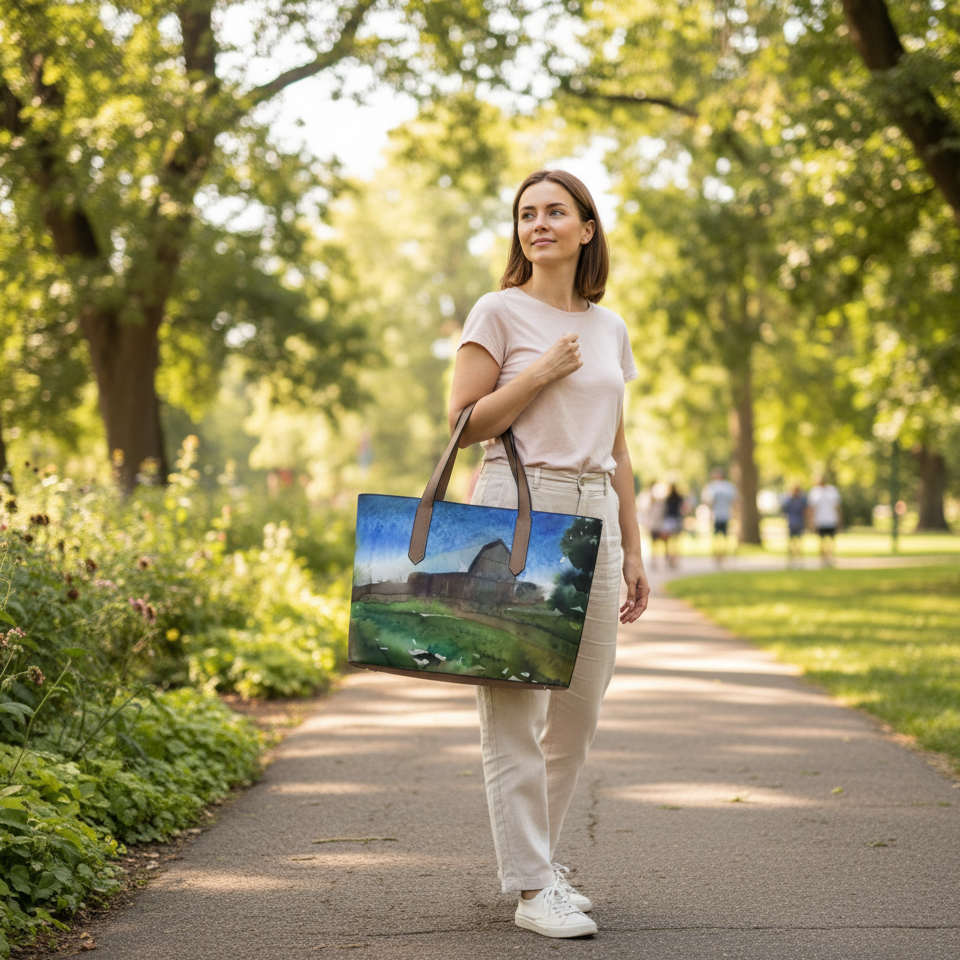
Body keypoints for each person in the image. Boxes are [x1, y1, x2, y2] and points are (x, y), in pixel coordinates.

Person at [448, 169, 650, 939]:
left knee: (576, 713)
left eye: (555, 212)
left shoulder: (610, 326)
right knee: (513, 710)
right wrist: (537, 374)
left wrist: (634, 546)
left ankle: (545, 862)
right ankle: (533, 889)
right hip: (518, 509)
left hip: (594, 514)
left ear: (586, 228)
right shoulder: (497, 311)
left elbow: (620, 446)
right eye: (527, 214)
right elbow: (463, 424)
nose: (539, 224)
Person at [701, 467, 738, 566]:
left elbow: (707, 502)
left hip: (722, 514)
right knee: (719, 536)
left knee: (720, 535)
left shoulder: (714, 487)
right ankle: (719, 554)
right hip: (718, 514)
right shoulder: (726, 487)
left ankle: (721, 554)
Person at [808, 476, 842, 566]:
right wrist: (812, 521)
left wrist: (839, 519)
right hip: (820, 520)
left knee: (831, 540)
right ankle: (823, 558)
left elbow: (837, 506)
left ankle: (830, 557)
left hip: (831, 519)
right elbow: (812, 508)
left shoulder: (832, 490)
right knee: (821, 541)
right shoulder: (814, 492)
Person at [781, 483, 808, 567]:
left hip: (799, 523)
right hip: (791, 523)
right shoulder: (788, 500)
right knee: (791, 542)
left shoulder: (802, 500)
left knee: (799, 542)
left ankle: (799, 560)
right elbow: (784, 511)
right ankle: (791, 560)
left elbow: (805, 511)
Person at [662, 483, 686, 569]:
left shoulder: (668, 499)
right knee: (676, 541)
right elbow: (682, 508)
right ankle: (675, 558)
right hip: (676, 519)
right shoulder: (679, 498)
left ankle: (669, 557)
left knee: (668, 541)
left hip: (669, 520)